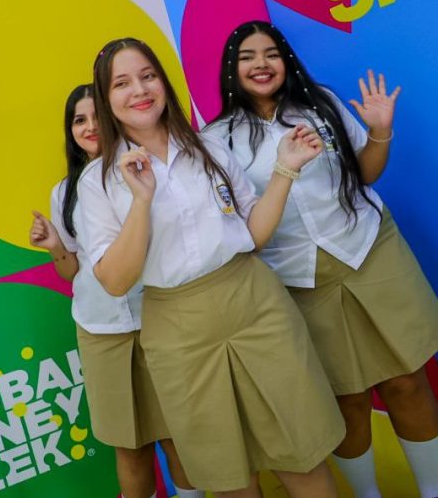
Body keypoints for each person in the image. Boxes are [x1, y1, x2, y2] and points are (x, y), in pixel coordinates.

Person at [77, 39, 345, 498]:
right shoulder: (98, 181)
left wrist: (285, 169)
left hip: (255, 304)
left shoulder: (210, 148)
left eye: (148, 76)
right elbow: (116, 281)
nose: (139, 90)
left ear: (164, 83)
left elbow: (253, 235)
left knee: (302, 455)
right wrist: (141, 200)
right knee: (228, 476)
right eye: (122, 83)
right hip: (178, 331)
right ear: (106, 98)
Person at [203, 21, 438, 498]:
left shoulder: (323, 105)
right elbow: (238, 229)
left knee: (406, 380)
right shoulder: (217, 141)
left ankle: (432, 490)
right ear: (231, 69)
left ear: (286, 60)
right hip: (299, 278)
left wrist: (380, 132)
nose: (261, 64)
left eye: (271, 53)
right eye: (247, 57)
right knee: (348, 398)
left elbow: (364, 174)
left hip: (370, 251)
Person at [29, 84, 202, 498]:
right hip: (101, 331)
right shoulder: (63, 193)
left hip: (161, 318)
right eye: (79, 120)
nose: (90, 127)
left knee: (178, 434)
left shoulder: (149, 168)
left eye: (96, 116)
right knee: (129, 446)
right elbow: (72, 271)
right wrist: (55, 245)